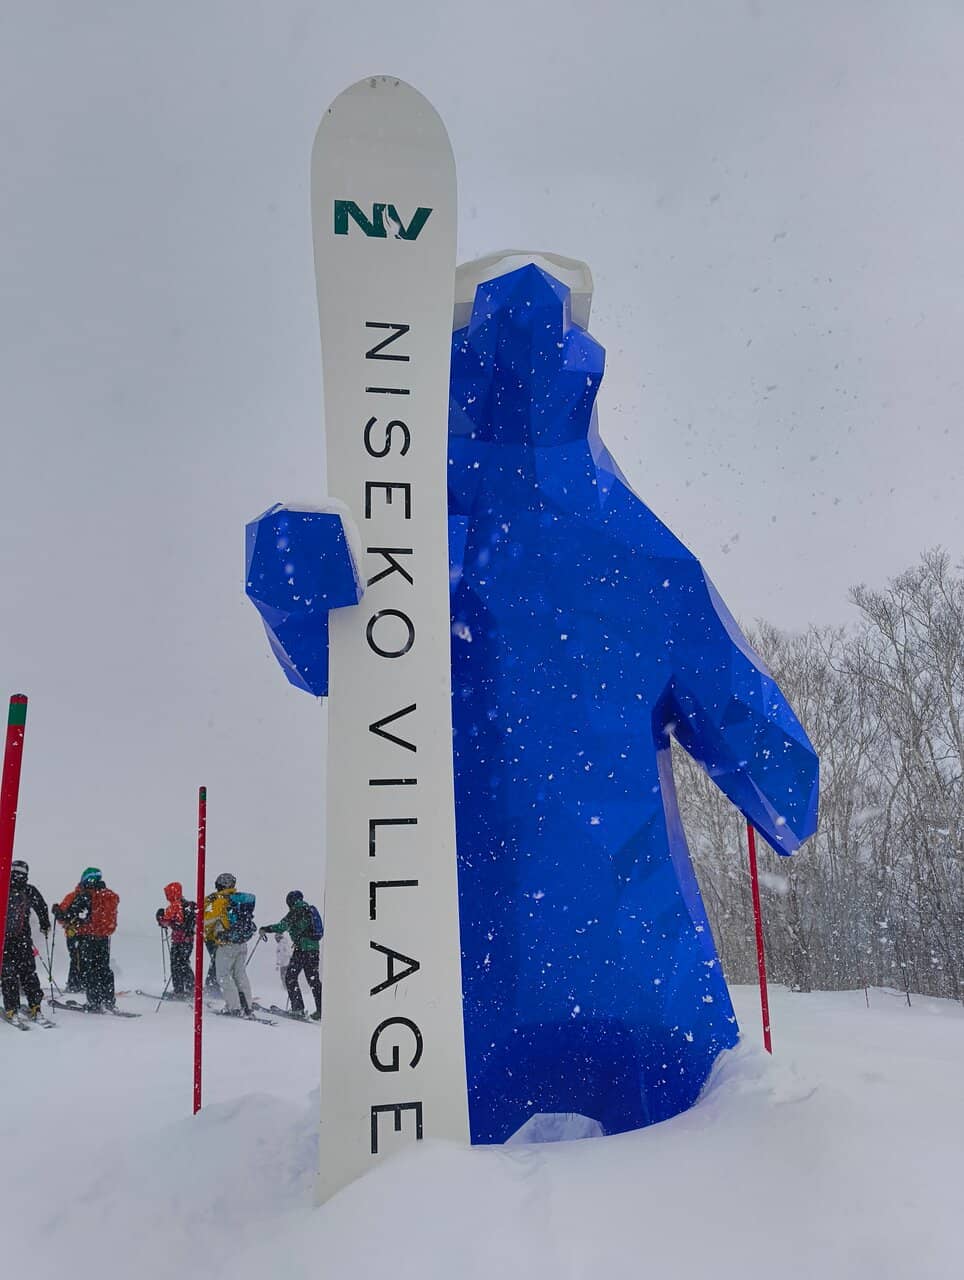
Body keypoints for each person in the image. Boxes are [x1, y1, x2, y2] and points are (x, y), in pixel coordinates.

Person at [52, 868, 119, 1012]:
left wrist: (59, 913)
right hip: (103, 938)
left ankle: (94, 1001)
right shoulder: (108, 895)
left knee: (90, 969)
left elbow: (69, 917)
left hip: (86, 937)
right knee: (103, 968)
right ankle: (108, 1000)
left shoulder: (82, 896)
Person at [260, 891, 322, 1020]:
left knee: (290, 977)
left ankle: (298, 1008)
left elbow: (281, 926)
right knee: (313, 980)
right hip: (314, 949)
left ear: (290, 902)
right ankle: (322, 1010)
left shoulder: (295, 912)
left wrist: (266, 928)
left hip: (302, 950)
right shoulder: (310, 910)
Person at [2, 860, 50, 1022]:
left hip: (5, 940)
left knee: (9, 975)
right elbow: (42, 907)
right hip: (23, 939)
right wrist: (45, 925)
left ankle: (11, 1008)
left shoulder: (4, 888)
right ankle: (35, 1006)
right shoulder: (29, 890)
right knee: (28, 973)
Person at [203, 873, 256, 1015]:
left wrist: (204, 929)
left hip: (226, 943)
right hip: (241, 942)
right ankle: (247, 1006)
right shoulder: (238, 899)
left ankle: (234, 1007)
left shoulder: (220, 900)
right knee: (240, 974)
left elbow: (207, 920)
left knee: (223, 976)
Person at [155, 882, 196, 998]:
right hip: (189, 940)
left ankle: (179, 990)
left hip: (179, 940)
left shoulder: (174, 906)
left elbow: (166, 921)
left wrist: (159, 918)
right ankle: (191, 987)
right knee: (184, 963)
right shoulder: (187, 905)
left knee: (176, 964)